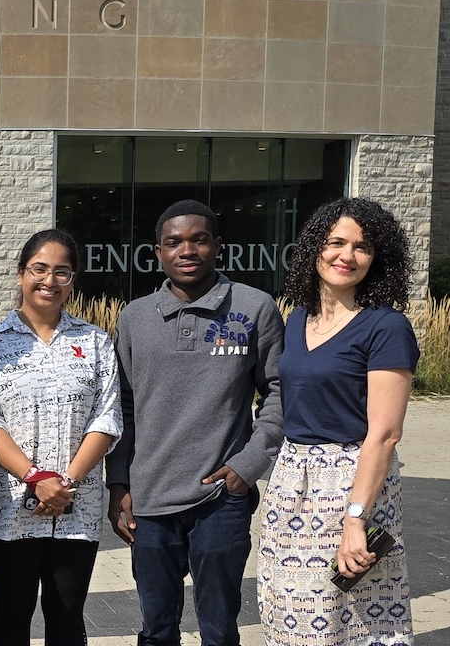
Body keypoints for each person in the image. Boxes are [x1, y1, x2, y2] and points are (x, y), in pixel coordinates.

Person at [105, 199, 284, 646]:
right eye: (174, 242)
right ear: (158, 252)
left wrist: (248, 465)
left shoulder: (254, 308)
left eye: (199, 239)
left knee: (220, 630)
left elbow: (281, 393)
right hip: (150, 499)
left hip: (221, 497)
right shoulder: (135, 317)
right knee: (157, 628)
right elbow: (122, 407)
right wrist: (119, 484)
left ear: (218, 246)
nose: (188, 250)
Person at [258, 198, 417, 645]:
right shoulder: (296, 321)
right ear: (314, 249)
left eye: (362, 247)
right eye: (336, 242)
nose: (347, 255)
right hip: (292, 480)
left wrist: (355, 519)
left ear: (377, 259)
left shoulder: (385, 328)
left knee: (354, 617)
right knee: (286, 611)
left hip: (350, 482)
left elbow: (384, 435)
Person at [0, 229, 121, 646]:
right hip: (10, 505)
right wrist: (36, 477)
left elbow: (107, 417)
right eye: (39, 269)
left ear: (73, 279)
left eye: (63, 272)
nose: (50, 280)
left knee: (66, 618)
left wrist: (66, 483)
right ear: (21, 273)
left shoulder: (95, 341)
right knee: (10, 616)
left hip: (77, 507)